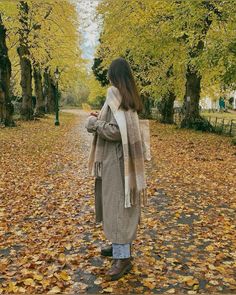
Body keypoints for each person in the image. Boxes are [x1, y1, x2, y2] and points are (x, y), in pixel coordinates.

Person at [85, 57, 148, 281]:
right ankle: (120, 249)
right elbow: (119, 124)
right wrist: (100, 117)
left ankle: (122, 259)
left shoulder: (114, 93)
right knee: (122, 205)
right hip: (126, 162)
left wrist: (93, 124)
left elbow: (114, 131)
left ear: (113, 75)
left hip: (116, 160)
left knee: (118, 207)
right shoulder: (129, 95)